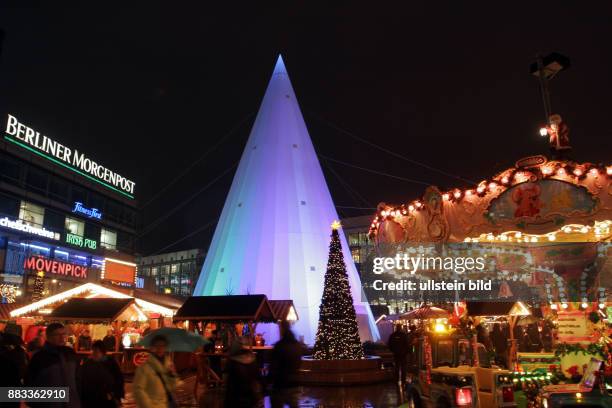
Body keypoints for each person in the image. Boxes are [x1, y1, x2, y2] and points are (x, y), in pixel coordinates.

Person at [25, 323, 81, 408]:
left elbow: (78, 378)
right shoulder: (40, 357)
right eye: (57, 335)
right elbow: (30, 383)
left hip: (71, 403)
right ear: (49, 336)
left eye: (64, 334)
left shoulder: (71, 354)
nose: (62, 337)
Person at [133, 335, 177, 408]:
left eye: (162, 346)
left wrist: (172, 375)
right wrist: (148, 406)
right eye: (157, 346)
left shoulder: (168, 364)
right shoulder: (145, 367)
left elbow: (173, 386)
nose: (160, 348)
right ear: (152, 347)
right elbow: (138, 389)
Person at [79, 340, 124, 407]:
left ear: (102, 353)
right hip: (91, 399)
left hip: (107, 399)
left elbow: (118, 379)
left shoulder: (111, 363)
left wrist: (117, 396)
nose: (93, 354)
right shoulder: (88, 363)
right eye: (93, 351)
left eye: (96, 352)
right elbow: (82, 379)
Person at [270, 321, 303, 408]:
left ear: (282, 328)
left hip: (281, 384)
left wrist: (268, 381)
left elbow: (273, 366)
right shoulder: (297, 345)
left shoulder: (280, 346)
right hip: (295, 382)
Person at [224, 337, 262, 407]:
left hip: (236, 397)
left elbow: (229, 383)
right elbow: (257, 379)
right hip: (250, 397)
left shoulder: (232, 362)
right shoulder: (252, 360)